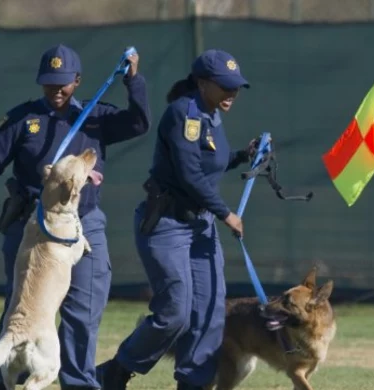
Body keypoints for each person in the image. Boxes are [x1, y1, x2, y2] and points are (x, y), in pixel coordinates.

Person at [0, 43, 151, 390]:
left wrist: (133, 80)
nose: (56, 89)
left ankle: (77, 382)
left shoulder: (95, 116)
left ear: (77, 80)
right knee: (21, 307)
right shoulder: (23, 119)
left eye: (63, 82)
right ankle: (6, 382)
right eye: (49, 81)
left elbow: (139, 123)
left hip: (83, 222)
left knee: (85, 309)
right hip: (31, 226)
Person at [97, 49, 258, 390]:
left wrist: (245, 155)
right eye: (225, 86)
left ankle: (194, 383)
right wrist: (226, 213)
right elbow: (190, 175)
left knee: (210, 310)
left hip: (200, 227)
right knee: (176, 313)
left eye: (236, 87)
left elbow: (212, 161)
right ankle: (118, 370)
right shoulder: (184, 114)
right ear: (202, 83)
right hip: (168, 224)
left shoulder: (212, 115)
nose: (232, 93)